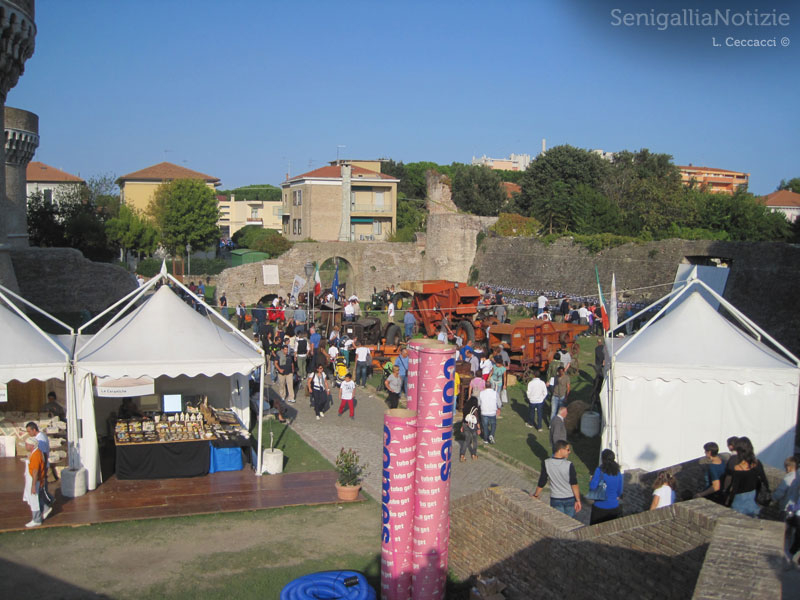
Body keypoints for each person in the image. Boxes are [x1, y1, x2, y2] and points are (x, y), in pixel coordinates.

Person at [532, 440, 582, 518]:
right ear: (560, 450)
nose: (569, 452)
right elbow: (574, 484)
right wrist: (578, 500)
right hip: (569, 498)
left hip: (556, 498)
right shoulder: (569, 465)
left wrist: (536, 495)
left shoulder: (546, 463)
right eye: (567, 449)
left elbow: (542, 480)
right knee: (570, 523)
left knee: (559, 521)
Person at [727, 436, 769, 517]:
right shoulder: (756, 463)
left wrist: (728, 497)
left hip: (740, 499)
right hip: (753, 496)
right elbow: (764, 479)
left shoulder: (737, 467)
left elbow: (735, 487)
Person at [589, 449, 624, 524]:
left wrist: (591, 480)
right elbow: (619, 491)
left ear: (602, 459)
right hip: (614, 507)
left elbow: (593, 487)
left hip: (600, 506)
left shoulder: (599, 470)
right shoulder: (618, 472)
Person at [23, 436, 49, 527]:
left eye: (27, 444)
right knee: (36, 498)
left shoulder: (36, 455)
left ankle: (37, 519)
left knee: (34, 500)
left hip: (35, 481)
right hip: (35, 480)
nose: (25, 446)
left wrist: (33, 485)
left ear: (32, 446)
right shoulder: (35, 453)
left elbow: (35, 471)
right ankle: (45, 509)